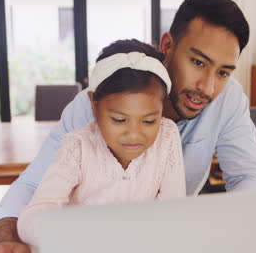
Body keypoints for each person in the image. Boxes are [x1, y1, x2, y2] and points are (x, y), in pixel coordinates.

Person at [0, 0, 256, 253]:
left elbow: (249, 176)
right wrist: (7, 237)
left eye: (223, 72)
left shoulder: (228, 98)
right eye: (198, 63)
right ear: (167, 46)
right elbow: (35, 185)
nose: (208, 88)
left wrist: (247, 231)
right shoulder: (101, 105)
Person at [16, 40, 186, 247]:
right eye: (119, 120)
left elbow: (173, 210)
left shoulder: (167, 135)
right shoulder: (77, 148)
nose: (134, 135)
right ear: (94, 106)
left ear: (162, 108)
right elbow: (31, 219)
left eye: (149, 121)